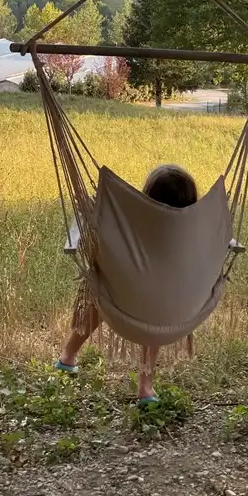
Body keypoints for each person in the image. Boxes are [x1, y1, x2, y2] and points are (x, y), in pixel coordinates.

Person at [55, 164, 199, 403]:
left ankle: (68, 355)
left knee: (99, 296)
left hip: (120, 299)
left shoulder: (130, 223)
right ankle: (145, 387)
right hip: (166, 307)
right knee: (155, 313)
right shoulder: (192, 231)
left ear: (146, 196)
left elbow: (93, 227)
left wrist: (89, 208)